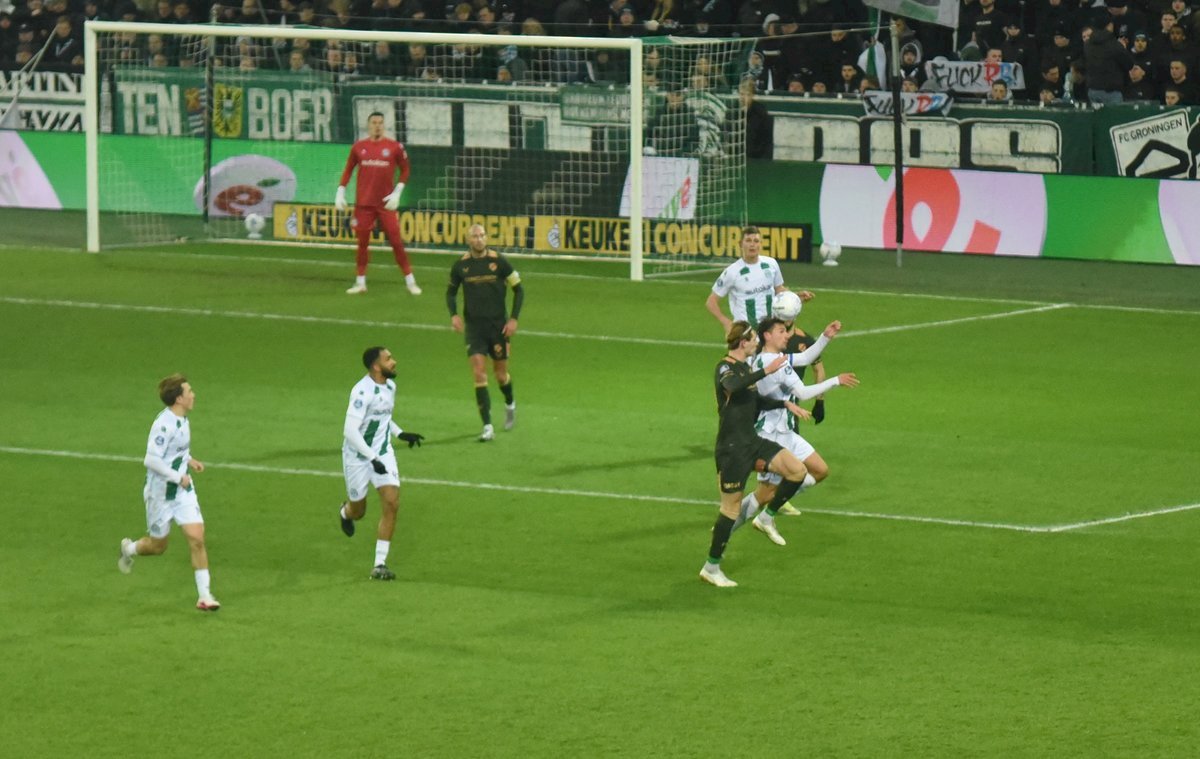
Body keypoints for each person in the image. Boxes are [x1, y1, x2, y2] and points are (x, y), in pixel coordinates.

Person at [700, 321, 813, 588]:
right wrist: (765, 372)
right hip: (732, 449)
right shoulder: (725, 367)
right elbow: (733, 386)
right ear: (743, 342)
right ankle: (711, 567)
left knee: (797, 471)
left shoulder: (746, 368)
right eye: (753, 339)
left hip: (752, 442)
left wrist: (784, 404)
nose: (757, 343)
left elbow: (754, 401)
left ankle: (766, 517)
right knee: (730, 510)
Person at [736, 318, 859, 529]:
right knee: (764, 494)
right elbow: (802, 392)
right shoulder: (774, 363)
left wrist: (825, 337)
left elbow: (804, 357)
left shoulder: (770, 358)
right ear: (767, 335)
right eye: (781, 331)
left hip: (786, 431)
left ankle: (767, 515)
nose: (787, 335)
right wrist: (835, 381)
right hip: (771, 435)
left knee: (819, 470)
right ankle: (726, 528)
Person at [117, 374, 220, 612]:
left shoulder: (182, 418)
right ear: (179, 399)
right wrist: (177, 476)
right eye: (189, 391)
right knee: (158, 547)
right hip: (160, 494)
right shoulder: (163, 425)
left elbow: (176, 450)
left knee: (197, 539)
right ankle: (128, 549)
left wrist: (188, 460)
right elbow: (151, 460)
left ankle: (204, 596)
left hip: (183, 492)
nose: (193, 395)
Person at [338, 347, 424, 580]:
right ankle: (346, 512)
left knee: (392, 502)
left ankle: (379, 565)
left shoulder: (390, 387)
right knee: (359, 511)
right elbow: (350, 431)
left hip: (383, 453)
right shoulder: (361, 392)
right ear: (376, 366)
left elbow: (383, 417)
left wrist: (400, 433)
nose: (394, 362)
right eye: (388, 359)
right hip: (358, 458)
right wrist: (371, 458)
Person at [447, 224, 524, 441]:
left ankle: (510, 403)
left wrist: (513, 319)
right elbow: (450, 293)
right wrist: (454, 315)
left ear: (486, 238)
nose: (479, 239)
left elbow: (519, 289)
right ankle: (487, 426)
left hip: (498, 328)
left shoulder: (499, 262)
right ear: (468, 240)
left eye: (482, 235)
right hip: (475, 329)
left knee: (500, 375)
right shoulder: (461, 266)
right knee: (479, 373)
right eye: (475, 236)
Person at [334, 111, 422, 296]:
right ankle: (360, 282)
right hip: (364, 204)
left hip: (385, 204)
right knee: (362, 243)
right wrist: (340, 190)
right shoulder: (359, 147)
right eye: (374, 122)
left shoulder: (395, 147)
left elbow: (405, 170)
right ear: (368, 125)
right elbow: (348, 169)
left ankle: (410, 281)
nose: (377, 126)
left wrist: (397, 193)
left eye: (380, 122)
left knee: (396, 241)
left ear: (384, 125)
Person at [706, 225, 813, 333]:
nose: (752, 245)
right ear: (740, 244)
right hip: (746, 334)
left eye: (756, 241)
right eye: (748, 240)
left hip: (770, 331)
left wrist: (795, 296)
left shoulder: (771, 264)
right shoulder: (732, 272)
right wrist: (726, 322)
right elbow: (711, 302)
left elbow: (779, 289)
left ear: (761, 244)